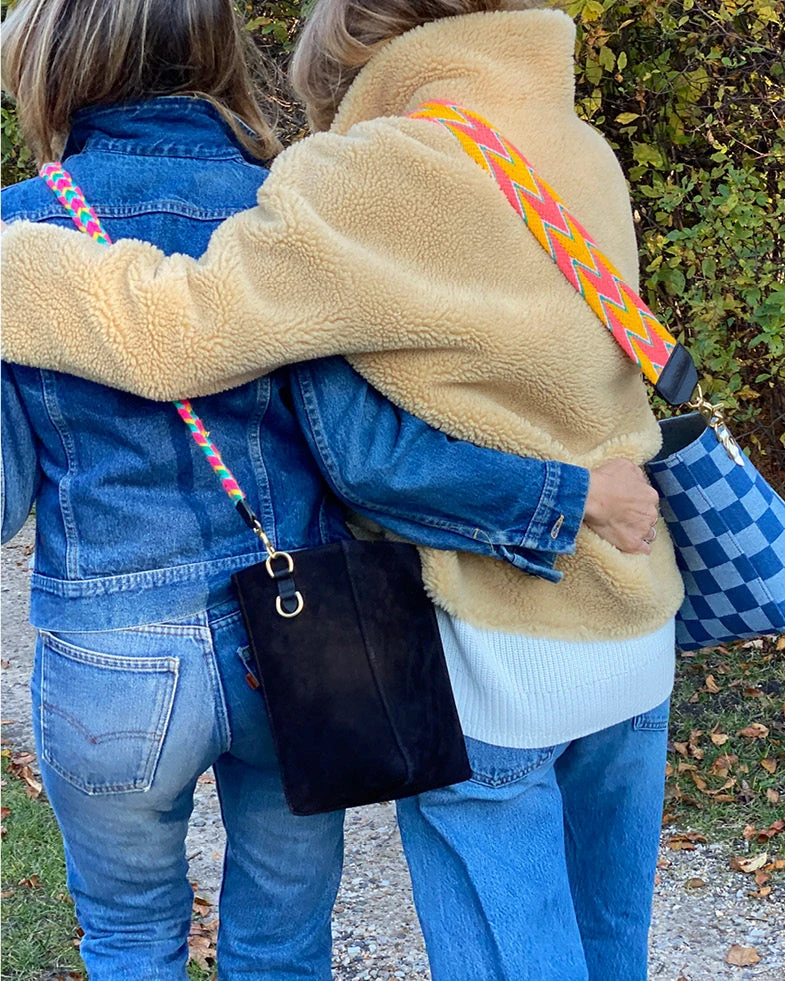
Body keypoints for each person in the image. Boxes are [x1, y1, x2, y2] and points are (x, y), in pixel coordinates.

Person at [1, 1, 680, 979]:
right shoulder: (556, 152)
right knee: (315, 948)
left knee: (132, 939)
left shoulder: (348, 182)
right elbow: (378, 435)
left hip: (164, 648)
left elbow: (167, 354)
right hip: (484, 627)